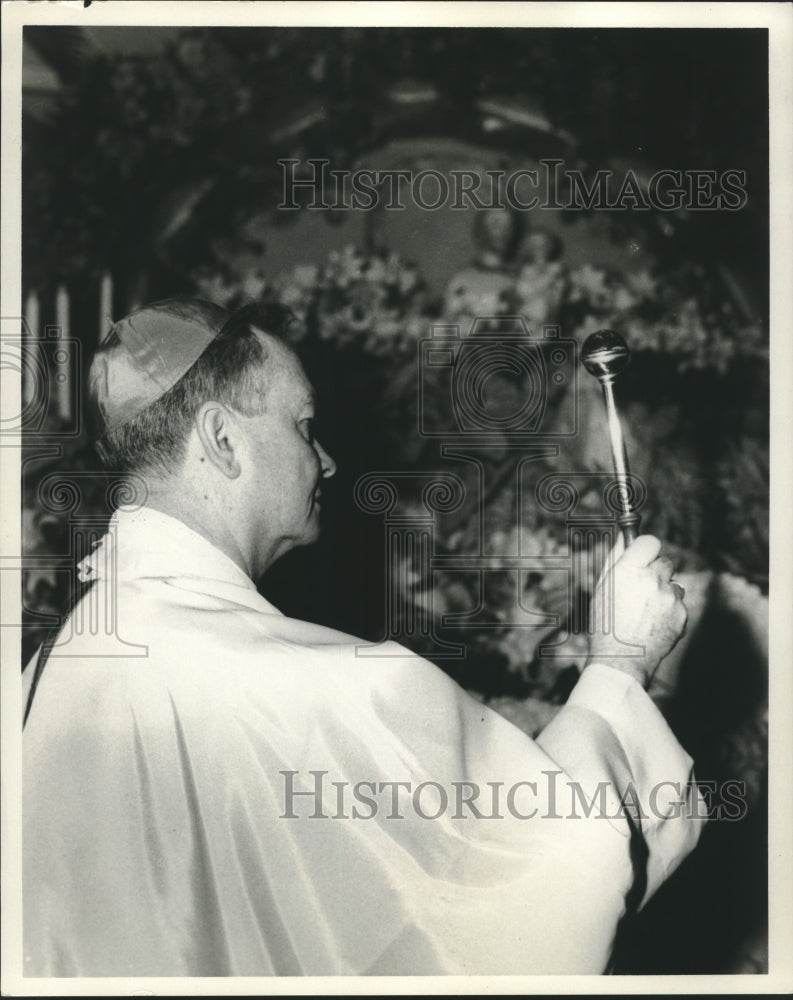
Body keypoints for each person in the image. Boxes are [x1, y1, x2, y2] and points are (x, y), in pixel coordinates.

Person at [22, 297, 703, 977]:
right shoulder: (302, 688)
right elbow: (543, 867)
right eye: (303, 425)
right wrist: (619, 662)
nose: (327, 461)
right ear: (222, 440)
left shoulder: (56, 661)